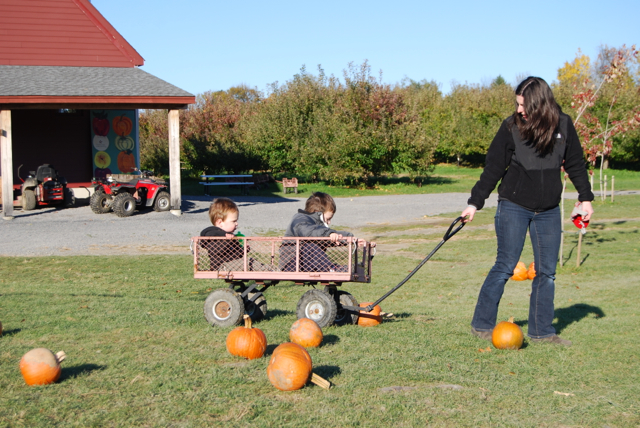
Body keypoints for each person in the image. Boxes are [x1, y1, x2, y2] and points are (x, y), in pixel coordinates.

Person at [461, 76, 594, 347]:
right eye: (517, 104)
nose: (519, 110)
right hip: (514, 205)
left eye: (523, 105)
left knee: (547, 271)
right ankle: (482, 325)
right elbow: (494, 168)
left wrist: (586, 198)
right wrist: (475, 202)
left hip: (548, 210)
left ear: (540, 104)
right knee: (505, 266)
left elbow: (576, 164)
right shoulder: (511, 126)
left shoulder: (564, 125)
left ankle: (542, 331)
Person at [281, 192, 372, 272]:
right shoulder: (300, 219)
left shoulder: (318, 228)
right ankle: (331, 268)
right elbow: (309, 232)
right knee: (311, 246)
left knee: (315, 243)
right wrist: (329, 234)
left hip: (305, 264)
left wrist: (350, 239)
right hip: (291, 264)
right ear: (318, 213)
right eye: (328, 219)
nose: (329, 222)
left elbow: (323, 234)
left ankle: (331, 268)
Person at [200, 197, 244, 271]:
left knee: (249, 261)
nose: (237, 223)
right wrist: (226, 239)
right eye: (233, 221)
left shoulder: (230, 236)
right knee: (248, 262)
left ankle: (268, 269)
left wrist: (243, 249)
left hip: (233, 264)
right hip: (222, 266)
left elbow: (237, 254)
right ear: (220, 222)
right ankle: (268, 270)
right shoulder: (212, 235)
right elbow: (215, 250)